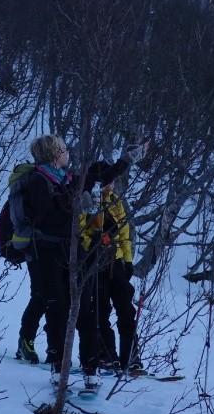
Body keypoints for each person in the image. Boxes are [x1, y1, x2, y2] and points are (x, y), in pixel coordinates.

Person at [14, 134, 135, 384]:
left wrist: (127, 160)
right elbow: (48, 219)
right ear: (53, 154)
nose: (67, 152)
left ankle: (91, 368)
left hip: (73, 251)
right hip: (47, 253)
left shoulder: (65, 179)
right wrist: (78, 207)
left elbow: (98, 177)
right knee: (57, 309)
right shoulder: (39, 181)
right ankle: (59, 366)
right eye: (63, 149)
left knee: (84, 308)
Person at [79, 176, 143, 375]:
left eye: (112, 180)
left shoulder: (115, 201)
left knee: (126, 309)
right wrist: (92, 244)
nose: (110, 184)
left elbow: (125, 233)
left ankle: (130, 357)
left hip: (116, 261)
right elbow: (81, 231)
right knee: (101, 309)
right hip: (96, 262)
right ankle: (106, 354)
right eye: (107, 180)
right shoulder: (87, 199)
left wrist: (128, 261)